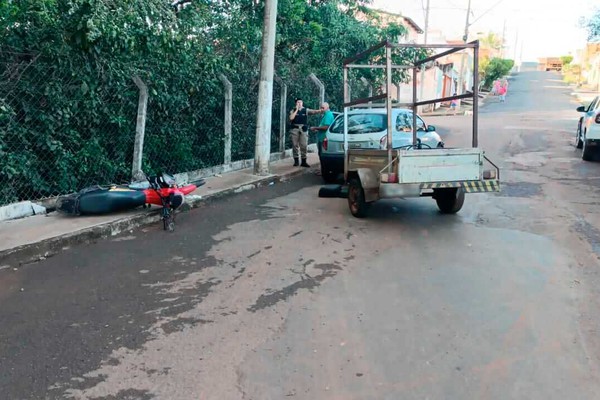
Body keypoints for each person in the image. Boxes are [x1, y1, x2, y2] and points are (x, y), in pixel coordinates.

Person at [289, 98, 321, 167]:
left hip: (303, 129)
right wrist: (297, 110)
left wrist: (320, 110)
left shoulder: (305, 110)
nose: (299, 103)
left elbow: (313, 112)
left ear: (302, 103)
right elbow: (291, 118)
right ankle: (296, 161)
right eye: (298, 102)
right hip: (295, 129)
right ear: (296, 103)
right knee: (295, 145)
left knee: (304, 145)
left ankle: (304, 161)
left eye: (300, 102)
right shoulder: (293, 110)